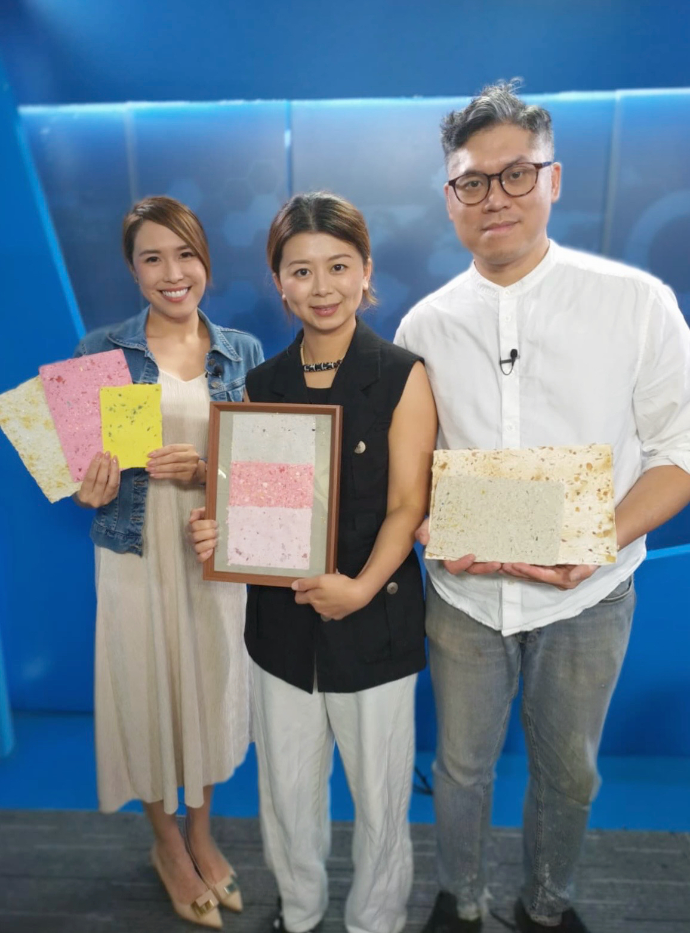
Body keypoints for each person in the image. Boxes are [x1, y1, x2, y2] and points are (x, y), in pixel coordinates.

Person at [394, 81, 690, 933]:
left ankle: (546, 902)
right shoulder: (423, 327)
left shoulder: (636, 303)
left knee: (571, 773)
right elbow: (412, 476)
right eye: (472, 181)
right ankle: (462, 898)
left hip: (591, 595)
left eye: (516, 174)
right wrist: (422, 520)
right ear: (450, 196)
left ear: (553, 179)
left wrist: (595, 540)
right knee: (460, 767)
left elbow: (678, 453)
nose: (495, 197)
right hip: (465, 594)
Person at [189, 192, 438, 933]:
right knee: (288, 793)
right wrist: (220, 533)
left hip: (377, 621)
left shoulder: (403, 374)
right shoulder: (261, 385)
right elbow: (259, 508)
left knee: (381, 798)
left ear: (366, 272)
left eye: (338, 266)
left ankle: (375, 920)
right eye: (301, 270)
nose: (321, 287)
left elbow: (406, 504)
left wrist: (359, 588)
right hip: (282, 630)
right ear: (279, 281)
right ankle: (298, 913)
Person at [74, 196, 264, 929]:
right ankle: (168, 846)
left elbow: (266, 474)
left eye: (185, 254)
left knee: (210, 691)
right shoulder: (99, 350)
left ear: (205, 260)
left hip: (209, 550)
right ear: (133, 270)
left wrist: (208, 470)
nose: (171, 272)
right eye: (152, 258)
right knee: (144, 690)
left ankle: (202, 835)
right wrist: (89, 487)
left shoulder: (243, 351)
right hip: (134, 553)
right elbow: (85, 476)